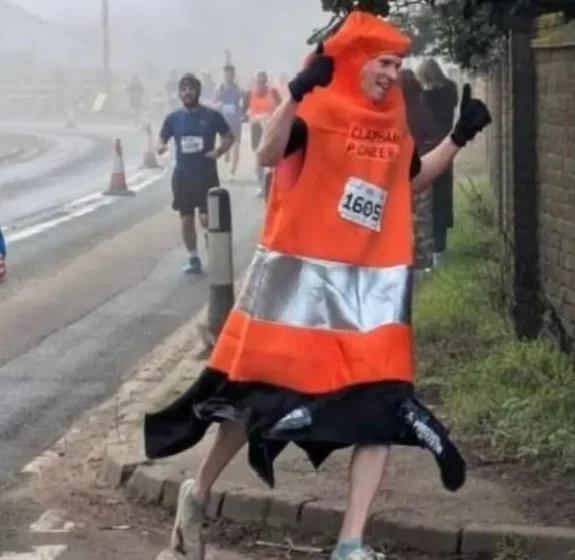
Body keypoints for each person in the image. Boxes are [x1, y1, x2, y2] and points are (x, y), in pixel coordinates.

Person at [143, 10, 492, 560]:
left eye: (397, 65)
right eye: (383, 63)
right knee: (251, 405)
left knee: (382, 410)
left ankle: (350, 543)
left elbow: (410, 182)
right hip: (298, 296)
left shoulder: (391, 124)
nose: (391, 74)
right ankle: (199, 492)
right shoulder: (317, 110)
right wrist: (295, 94)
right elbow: (266, 153)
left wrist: (458, 137)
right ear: (356, 61)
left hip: (367, 300)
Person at [157, 73, 234, 275]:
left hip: (207, 175)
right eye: (183, 89)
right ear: (179, 93)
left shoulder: (212, 116)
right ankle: (193, 258)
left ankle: (210, 238)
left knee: (207, 218)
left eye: (191, 89)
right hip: (183, 177)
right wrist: (161, 146)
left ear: (198, 91)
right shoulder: (173, 118)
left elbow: (228, 137)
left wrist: (219, 151)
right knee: (186, 219)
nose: (187, 92)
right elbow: (162, 138)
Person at [417, 59, 459, 268]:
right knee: (443, 198)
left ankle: (429, 251)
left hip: (426, 153)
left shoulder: (424, 98)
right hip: (446, 148)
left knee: (426, 203)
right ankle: (440, 248)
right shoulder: (450, 91)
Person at [400, 69, 440, 271]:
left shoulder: (393, 112)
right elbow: (435, 135)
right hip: (420, 169)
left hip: (396, 173)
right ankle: (424, 263)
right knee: (422, 219)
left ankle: (403, 260)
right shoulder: (421, 109)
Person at [243, 71, 282, 196]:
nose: (261, 85)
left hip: (271, 128)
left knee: (272, 158)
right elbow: (243, 113)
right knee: (258, 158)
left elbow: (282, 109)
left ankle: (274, 185)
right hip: (256, 129)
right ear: (255, 82)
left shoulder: (273, 92)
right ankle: (261, 186)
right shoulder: (249, 94)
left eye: (264, 82)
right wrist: (252, 116)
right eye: (259, 82)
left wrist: (271, 117)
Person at [212, 64, 245, 182]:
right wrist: (217, 105)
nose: (228, 76)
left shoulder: (238, 90)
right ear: (223, 75)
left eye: (230, 74)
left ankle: (232, 171)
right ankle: (226, 152)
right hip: (223, 122)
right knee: (225, 146)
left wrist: (242, 112)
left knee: (236, 145)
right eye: (226, 74)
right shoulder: (219, 89)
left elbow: (243, 104)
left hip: (236, 122)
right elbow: (214, 103)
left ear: (233, 75)